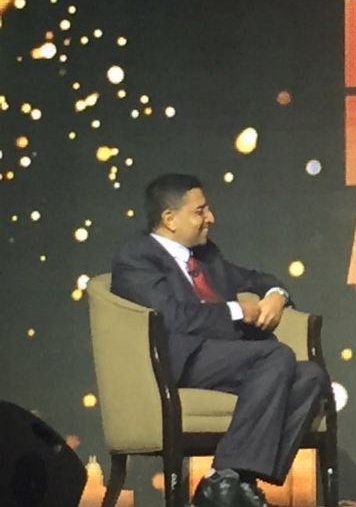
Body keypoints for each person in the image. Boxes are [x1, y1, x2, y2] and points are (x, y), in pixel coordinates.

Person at [111, 174, 329, 507]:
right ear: (170, 218)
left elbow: (256, 279)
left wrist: (277, 295)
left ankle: (227, 479)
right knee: (275, 355)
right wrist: (236, 310)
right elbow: (172, 316)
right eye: (200, 211)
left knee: (311, 375)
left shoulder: (206, 255)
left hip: (227, 356)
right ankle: (229, 482)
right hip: (178, 359)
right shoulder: (137, 257)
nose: (210, 218)